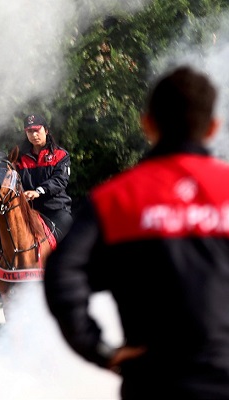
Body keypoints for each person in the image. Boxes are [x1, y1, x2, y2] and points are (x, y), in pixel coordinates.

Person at [43, 66, 229, 399]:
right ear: (213, 128)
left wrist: (98, 348)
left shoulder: (114, 199)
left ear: (147, 124)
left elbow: (61, 273)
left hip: (152, 385)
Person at [0, 114, 72, 262]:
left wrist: (39, 191)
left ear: (46, 130)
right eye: (29, 131)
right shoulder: (19, 158)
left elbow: (60, 180)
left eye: (37, 130)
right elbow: (10, 179)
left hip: (55, 210)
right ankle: (2, 276)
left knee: (70, 236)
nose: (33, 135)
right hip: (27, 212)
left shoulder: (61, 155)